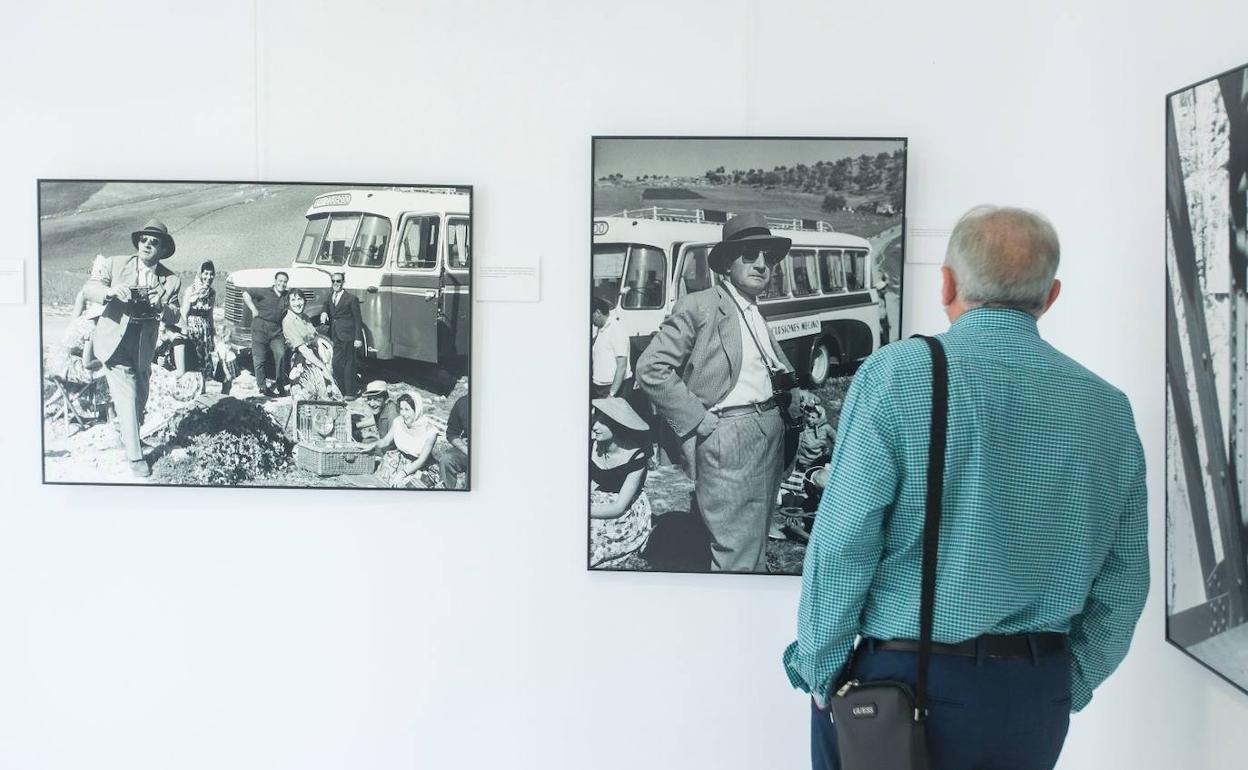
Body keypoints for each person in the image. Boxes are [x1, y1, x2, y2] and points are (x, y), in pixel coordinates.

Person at [785, 205, 1148, 770]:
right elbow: (1126, 577)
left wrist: (820, 669)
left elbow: (843, 544)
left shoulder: (897, 375)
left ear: (947, 284)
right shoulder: (1107, 408)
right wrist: (1067, 680)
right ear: (1051, 295)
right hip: (1034, 697)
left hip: (907, 687)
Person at [636, 211, 802, 573]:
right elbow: (651, 368)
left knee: (753, 539)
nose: (762, 264)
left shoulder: (752, 309)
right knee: (736, 552)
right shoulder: (700, 305)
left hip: (766, 434)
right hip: (729, 437)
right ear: (727, 263)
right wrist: (698, 420)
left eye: (770, 257)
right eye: (750, 254)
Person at [80, 219, 182, 477]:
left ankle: (125, 434)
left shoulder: (171, 280)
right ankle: (136, 457)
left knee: (140, 396)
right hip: (113, 341)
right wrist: (111, 291)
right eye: (143, 240)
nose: (147, 244)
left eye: (154, 242)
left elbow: (175, 315)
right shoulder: (115, 264)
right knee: (127, 394)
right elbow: (90, 288)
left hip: (143, 345)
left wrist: (162, 306)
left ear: (163, 249)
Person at [589, 397, 654, 568]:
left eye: (603, 422)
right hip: (599, 498)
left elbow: (619, 507)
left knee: (594, 538)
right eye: (595, 420)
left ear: (617, 425)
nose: (595, 426)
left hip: (624, 509)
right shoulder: (594, 446)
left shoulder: (636, 456)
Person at [367, 392, 440, 488]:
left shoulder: (430, 432)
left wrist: (402, 473)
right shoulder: (398, 421)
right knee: (380, 483)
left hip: (418, 466)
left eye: (407, 409)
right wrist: (371, 445)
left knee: (408, 487)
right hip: (398, 460)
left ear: (417, 410)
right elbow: (385, 441)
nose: (403, 413)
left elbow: (422, 460)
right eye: (401, 409)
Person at [281, 291, 341, 402]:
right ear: (288, 303)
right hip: (300, 358)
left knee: (328, 383)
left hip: (314, 355)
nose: (297, 303)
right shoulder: (288, 321)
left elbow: (315, 338)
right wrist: (323, 366)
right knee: (310, 389)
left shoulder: (305, 317)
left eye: (300, 299)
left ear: (304, 301)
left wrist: (325, 358)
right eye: (293, 300)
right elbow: (303, 350)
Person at [242, 271, 289, 396]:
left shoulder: (287, 296)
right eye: (280, 281)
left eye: (285, 282)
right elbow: (246, 293)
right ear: (275, 281)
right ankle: (262, 387)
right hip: (260, 328)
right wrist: (253, 309)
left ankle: (280, 384)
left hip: (276, 331)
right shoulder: (264, 292)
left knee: (281, 354)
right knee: (259, 359)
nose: (282, 284)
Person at [320, 271, 365, 398]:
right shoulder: (331, 296)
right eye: (333, 281)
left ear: (343, 282)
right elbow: (326, 304)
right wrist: (324, 312)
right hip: (336, 335)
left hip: (349, 335)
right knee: (336, 364)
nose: (335, 283)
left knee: (349, 364)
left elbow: (358, 320)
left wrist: (358, 338)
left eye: (338, 281)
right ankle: (341, 390)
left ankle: (350, 393)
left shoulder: (351, 298)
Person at [178, 260, 218, 386]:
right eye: (206, 273)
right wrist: (185, 332)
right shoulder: (191, 290)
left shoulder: (212, 293)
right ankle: (191, 390)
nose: (209, 277)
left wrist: (212, 334)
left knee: (203, 362)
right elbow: (184, 313)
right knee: (192, 360)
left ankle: (202, 390)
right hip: (192, 331)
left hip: (205, 331)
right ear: (200, 274)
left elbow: (210, 315)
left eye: (211, 274)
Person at [591, 295, 631, 398]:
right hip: (600, 386)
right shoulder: (601, 329)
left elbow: (622, 366)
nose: (591, 322)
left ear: (598, 313)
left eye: (591, 317)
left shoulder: (616, 329)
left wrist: (612, 394)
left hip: (614, 389)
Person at [433, 390, 469, 489]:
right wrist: (465, 448)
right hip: (467, 448)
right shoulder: (463, 403)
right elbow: (452, 433)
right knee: (446, 460)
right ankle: (446, 493)